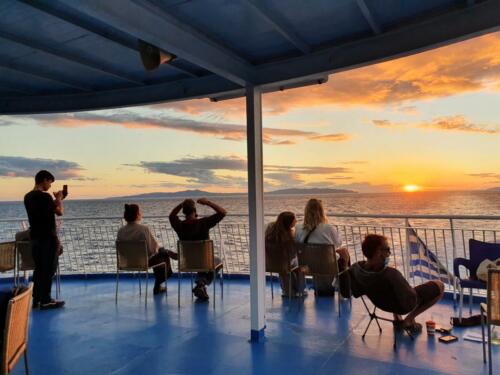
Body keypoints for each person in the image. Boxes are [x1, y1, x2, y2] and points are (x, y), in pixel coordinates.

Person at [340, 234, 444, 333]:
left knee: (393, 290)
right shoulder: (391, 274)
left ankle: (397, 319)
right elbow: (410, 300)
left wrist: (345, 266)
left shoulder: (356, 270)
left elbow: (348, 293)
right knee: (439, 285)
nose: (389, 253)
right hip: (401, 305)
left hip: (381, 303)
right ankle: (409, 320)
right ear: (378, 253)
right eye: (387, 250)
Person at [169, 198, 226, 301]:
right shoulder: (204, 223)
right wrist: (208, 202)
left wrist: (182, 204)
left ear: (184, 212)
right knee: (218, 261)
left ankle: (201, 285)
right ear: (195, 211)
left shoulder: (179, 226)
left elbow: (171, 216)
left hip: (187, 263)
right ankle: (202, 283)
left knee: (202, 262)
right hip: (204, 262)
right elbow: (223, 212)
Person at [24, 170, 65, 309]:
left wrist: (56, 201)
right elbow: (59, 212)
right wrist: (59, 198)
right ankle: (46, 299)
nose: (50, 186)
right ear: (44, 180)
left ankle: (36, 299)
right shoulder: (45, 197)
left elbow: (46, 208)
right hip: (48, 237)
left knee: (39, 268)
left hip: (35, 238)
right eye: (49, 182)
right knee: (49, 268)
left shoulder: (27, 197)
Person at [117, 204, 177, 295]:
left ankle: (158, 285)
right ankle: (161, 281)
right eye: (139, 212)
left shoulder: (120, 231)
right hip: (143, 262)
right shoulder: (143, 229)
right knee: (162, 254)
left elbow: (121, 251)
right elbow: (153, 250)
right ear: (137, 214)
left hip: (126, 262)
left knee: (161, 254)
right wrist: (160, 249)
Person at [295, 198, 349, 296]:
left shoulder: (298, 228)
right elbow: (338, 243)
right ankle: (344, 290)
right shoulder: (328, 228)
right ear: (321, 211)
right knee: (345, 253)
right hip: (328, 267)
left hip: (306, 267)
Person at [265, 212, 305, 297]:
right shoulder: (288, 238)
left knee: (284, 266)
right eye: (295, 220)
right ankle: (300, 290)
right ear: (289, 223)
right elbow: (293, 254)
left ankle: (287, 290)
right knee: (303, 265)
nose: (296, 221)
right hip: (284, 265)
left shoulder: (270, 233)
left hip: (269, 264)